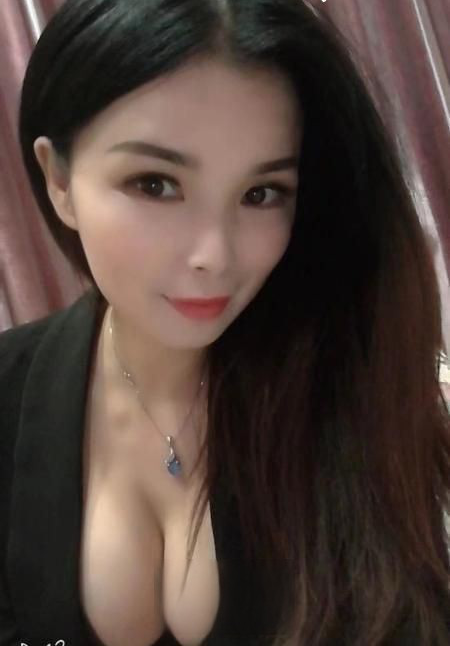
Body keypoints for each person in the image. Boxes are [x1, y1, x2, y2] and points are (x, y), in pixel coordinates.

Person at [1, 0, 449, 645]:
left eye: (260, 194)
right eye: (155, 184)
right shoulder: (10, 395)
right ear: (59, 180)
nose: (214, 255)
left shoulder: (354, 383)